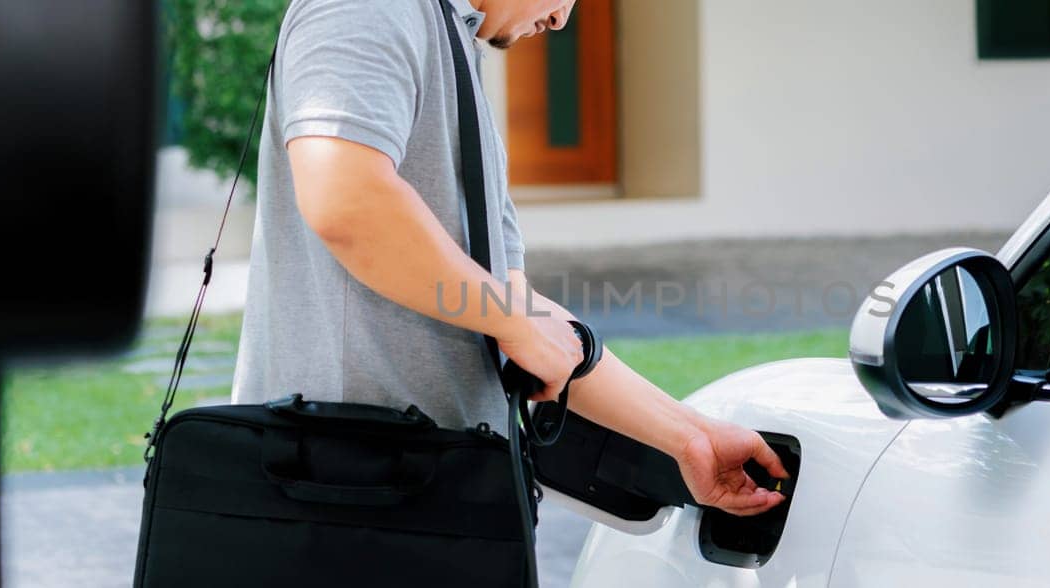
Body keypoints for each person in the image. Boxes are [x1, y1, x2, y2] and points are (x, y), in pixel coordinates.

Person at [231, 0, 787, 517]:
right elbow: (347, 200)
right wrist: (508, 318)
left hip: (419, 497)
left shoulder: (451, 45)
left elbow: (520, 319)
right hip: (336, 503)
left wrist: (691, 437)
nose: (563, 20)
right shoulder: (370, 8)